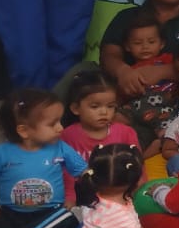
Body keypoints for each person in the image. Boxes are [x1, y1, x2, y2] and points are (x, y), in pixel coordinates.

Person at [0, 89, 86, 228]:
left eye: (60, 121)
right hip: (10, 215)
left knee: (67, 218)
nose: (61, 128)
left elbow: (84, 173)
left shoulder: (60, 148)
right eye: (52, 124)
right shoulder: (1, 153)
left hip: (48, 214)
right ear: (24, 131)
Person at [60, 68, 140, 205]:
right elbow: (66, 173)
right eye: (95, 106)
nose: (104, 112)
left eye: (110, 106)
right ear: (76, 108)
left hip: (120, 195)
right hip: (82, 197)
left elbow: (138, 168)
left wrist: (138, 194)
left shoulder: (126, 133)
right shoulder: (68, 135)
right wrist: (70, 198)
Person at [118, 9, 178, 138]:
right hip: (138, 105)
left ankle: (163, 137)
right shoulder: (130, 70)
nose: (145, 47)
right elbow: (123, 93)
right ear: (127, 46)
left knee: (167, 120)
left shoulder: (169, 60)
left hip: (164, 104)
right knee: (117, 115)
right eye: (138, 43)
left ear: (161, 44)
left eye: (151, 42)